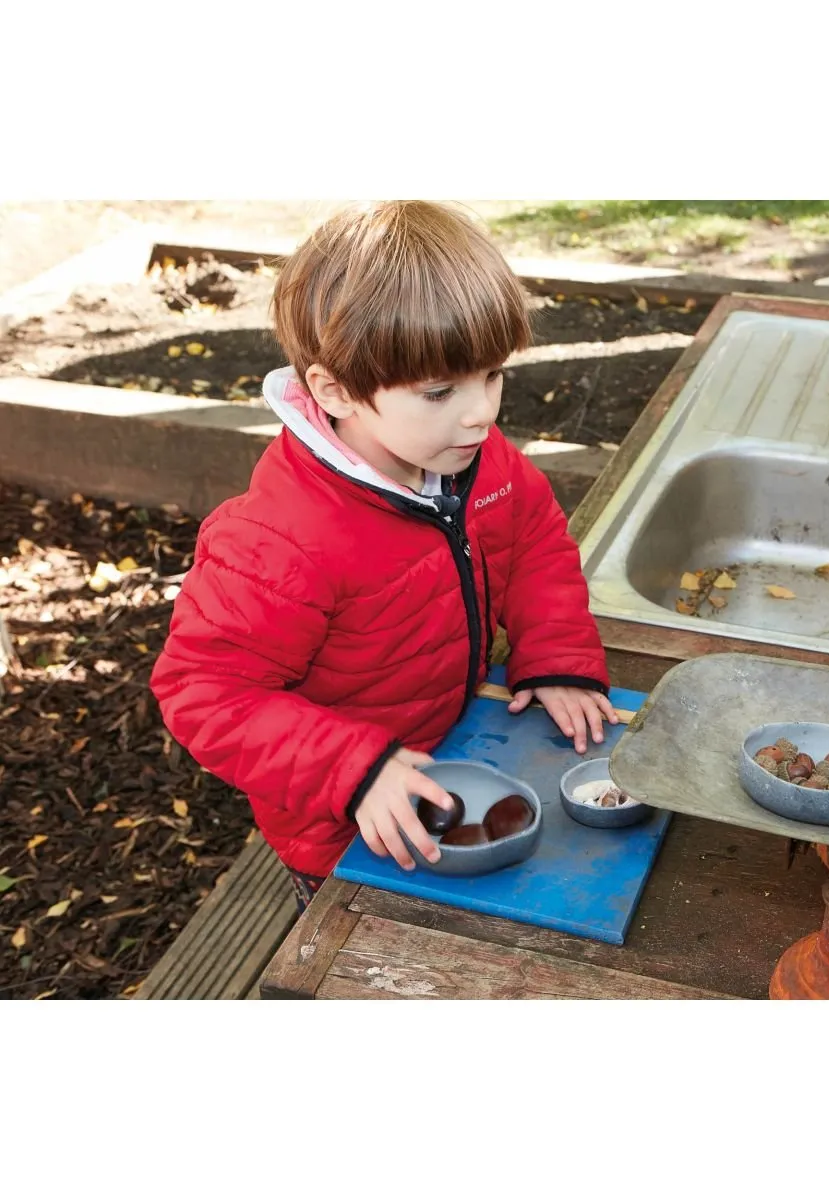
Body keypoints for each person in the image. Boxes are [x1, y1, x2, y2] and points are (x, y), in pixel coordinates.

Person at [150, 200, 614, 910]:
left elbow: (536, 547)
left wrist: (557, 655)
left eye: (492, 375)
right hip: (344, 822)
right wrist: (354, 770)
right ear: (333, 390)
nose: (481, 412)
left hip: (462, 748)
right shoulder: (280, 541)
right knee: (367, 955)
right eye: (439, 391)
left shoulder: (479, 462)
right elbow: (203, 692)